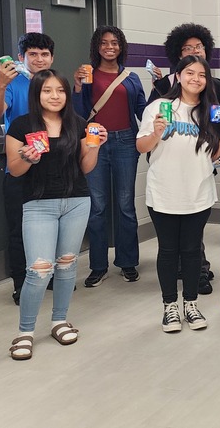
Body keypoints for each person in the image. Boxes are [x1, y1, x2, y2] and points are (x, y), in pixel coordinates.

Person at [6, 69, 102, 359]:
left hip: (76, 201)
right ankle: (25, 331)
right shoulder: (22, 126)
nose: (55, 96)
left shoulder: (78, 124)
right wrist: (27, 157)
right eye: (47, 90)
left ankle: (59, 320)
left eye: (60, 90)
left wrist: (95, 145)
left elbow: (86, 168)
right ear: (37, 94)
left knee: (66, 265)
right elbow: (13, 169)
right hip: (38, 204)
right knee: (38, 270)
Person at [138, 56, 220, 332]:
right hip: (163, 192)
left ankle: (190, 305)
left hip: (198, 192)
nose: (196, 79)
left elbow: (214, 156)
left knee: (193, 251)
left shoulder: (211, 113)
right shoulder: (160, 106)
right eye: (190, 73)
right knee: (168, 251)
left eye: (202, 75)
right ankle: (170, 307)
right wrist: (156, 133)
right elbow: (141, 147)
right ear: (177, 76)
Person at [149, 22, 220, 295]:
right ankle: (180, 273)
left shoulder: (214, 84)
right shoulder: (162, 89)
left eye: (199, 47)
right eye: (187, 49)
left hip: (204, 159)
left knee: (195, 217)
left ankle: (198, 270)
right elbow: (149, 128)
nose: (195, 51)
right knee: (171, 237)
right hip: (169, 167)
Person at [73, 26, 146, 287]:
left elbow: (143, 111)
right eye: (104, 43)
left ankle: (128, 262)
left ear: (121, 46)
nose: (109, 47)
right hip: (95, 143)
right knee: (98, 207)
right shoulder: (88, 75)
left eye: (114, 42)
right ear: (97, 47)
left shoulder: (131, 78)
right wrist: (78, 87)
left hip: (126, 141)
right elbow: (79, 114)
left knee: (126, 205)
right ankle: (98, 265)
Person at [0, 32, 55, 304]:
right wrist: (1, 84)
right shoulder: (14, 84)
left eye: (44, 54)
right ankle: (20, 283)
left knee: (52, 227)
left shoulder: (55, 84)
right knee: (19, 229)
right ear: (21, 58)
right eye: (33, 54)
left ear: (52, 57)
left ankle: (48, 277)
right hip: (20, 167)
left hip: (53, 168)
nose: (39, 59)